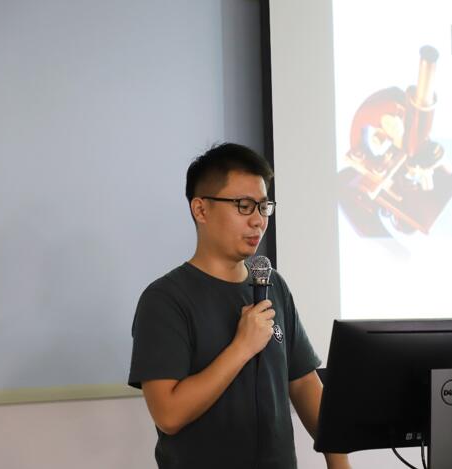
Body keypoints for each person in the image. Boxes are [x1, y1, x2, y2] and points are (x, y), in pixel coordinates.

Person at [128, 143, 351, 469]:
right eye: (244, 206)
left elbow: (304, 383)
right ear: (201, 210)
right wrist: (242, 347)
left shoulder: (273, 285)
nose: (258, 221)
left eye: (263, 207)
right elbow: (169, 415)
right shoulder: (165, 299)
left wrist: (340, 463)